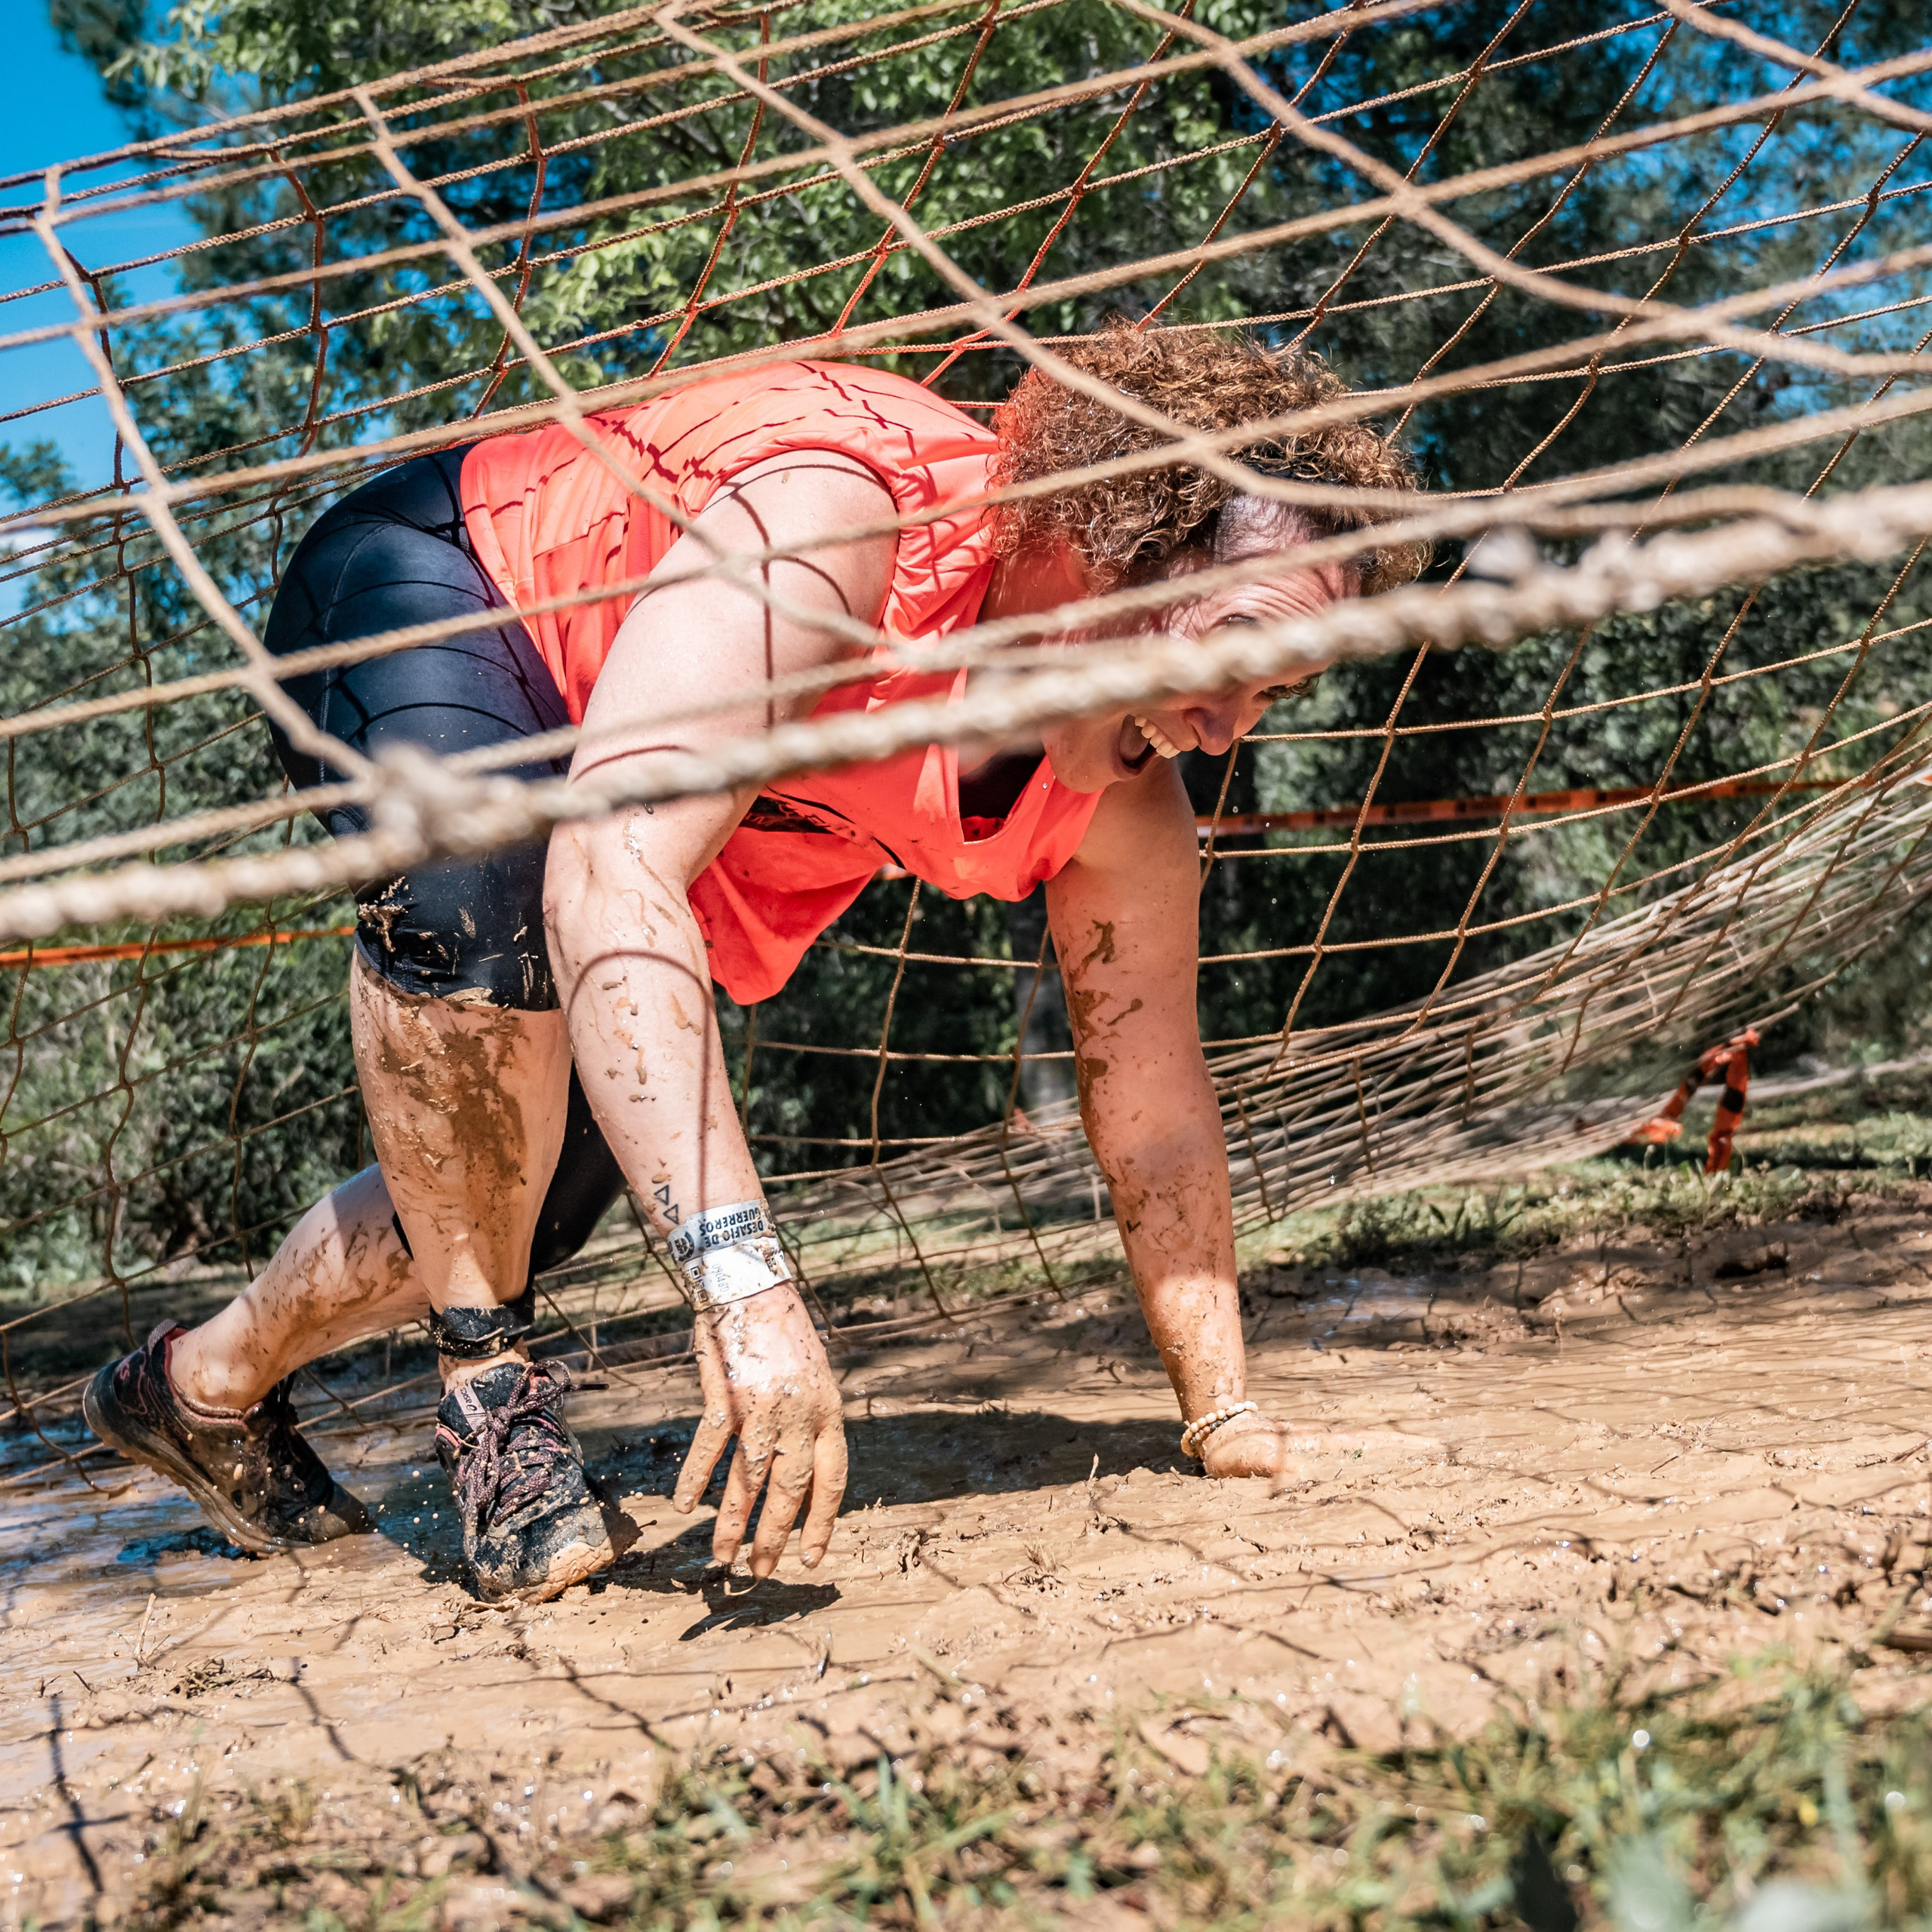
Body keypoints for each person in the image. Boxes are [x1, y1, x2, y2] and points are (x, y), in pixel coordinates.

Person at [83, 328, 1425, 1604]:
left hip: (629, 799)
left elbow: (1154, 1102)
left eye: (1281, 689)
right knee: (488, 896)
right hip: (450, 584)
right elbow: (610, 868)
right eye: (1234, 653)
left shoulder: (1124, 800)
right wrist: (746, 1286)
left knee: (515, 1185)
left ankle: (195, 1387)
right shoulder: (844, 529)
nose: (1226, 726)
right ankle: (492, 1405)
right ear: (1112, 545)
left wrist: (1222, 1407)